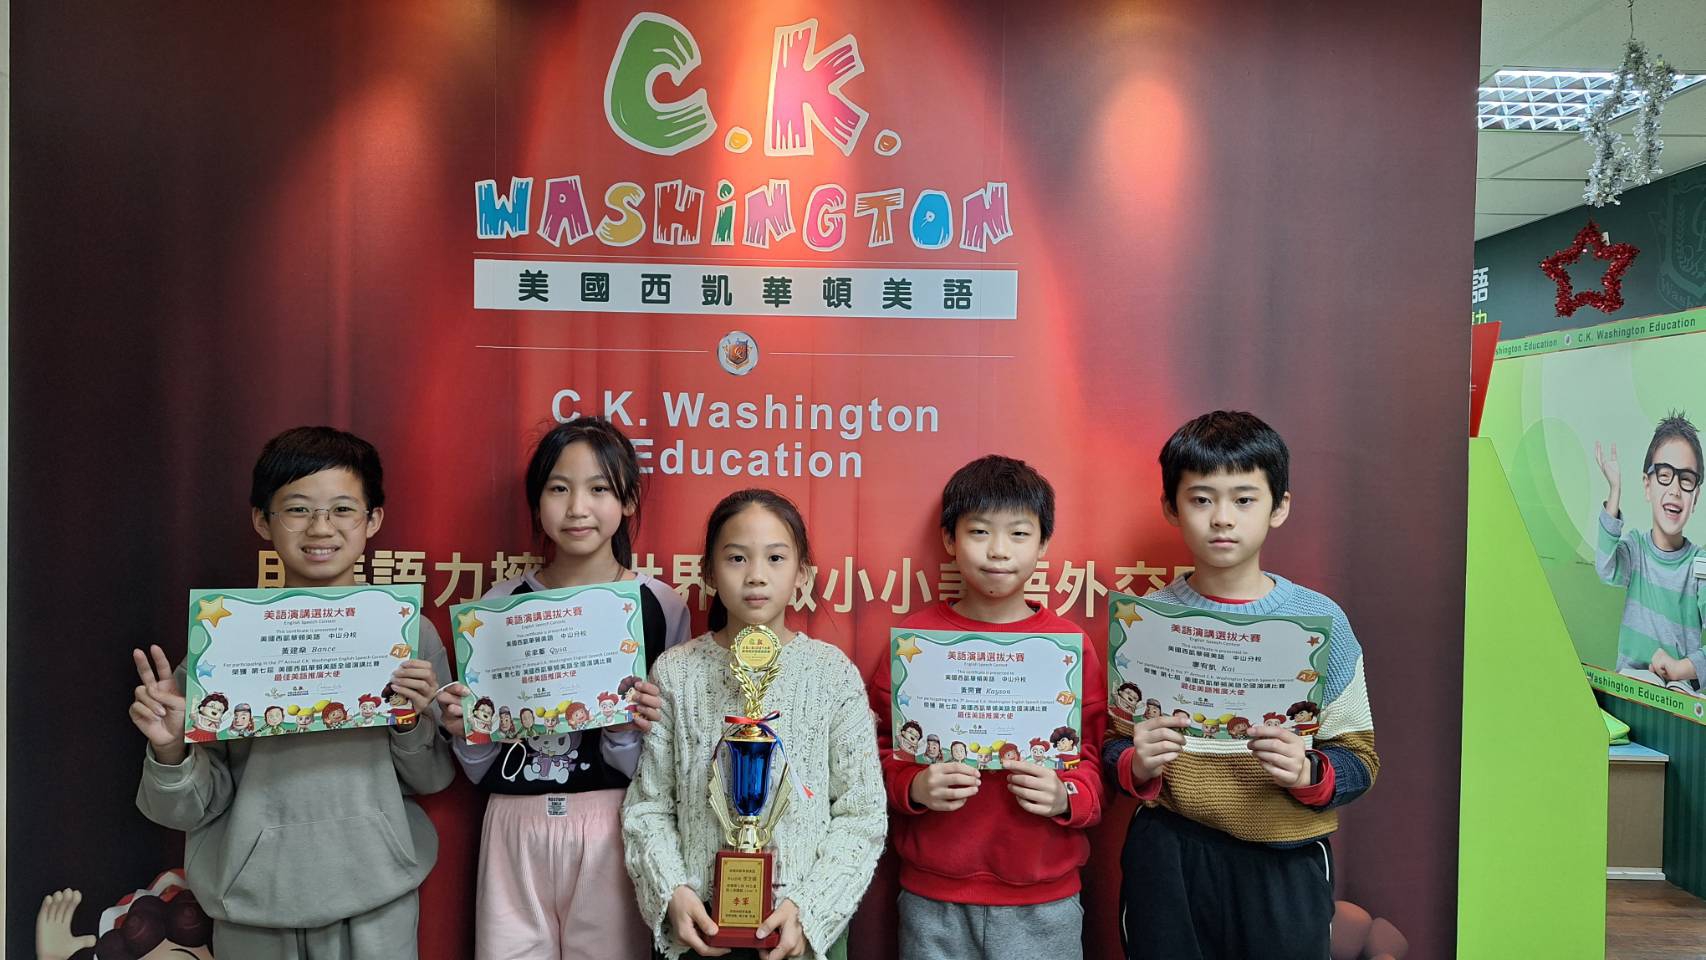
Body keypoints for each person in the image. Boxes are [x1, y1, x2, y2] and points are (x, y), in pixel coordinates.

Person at [131, 426, 453, 959]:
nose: (321, 527)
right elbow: (187, 808)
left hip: (376, 893)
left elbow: (433, 777)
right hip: (254, 904)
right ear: (263, 520)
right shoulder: (225, 638)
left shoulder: (408, 634)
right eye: (298, 509)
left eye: (343, 509)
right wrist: (170, 749)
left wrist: (410, 721)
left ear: (373, 519)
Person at [1104, 411, 1379, 960]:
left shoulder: (1319, 622)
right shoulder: (1145, 620)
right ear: (1171, 507)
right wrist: (1136, 762)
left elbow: (1361, 761)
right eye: (1201, 499)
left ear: (1280, 507)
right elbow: (1112, 745)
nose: (1222, 518)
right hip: (1170, 852)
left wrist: (1308, 771)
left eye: (1245, 499)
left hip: (1284, 859)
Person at [434, 417, 689, 960]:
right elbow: (480, 766)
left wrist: (628, 728)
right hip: (512, 821)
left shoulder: (660, 606)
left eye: (599, 489)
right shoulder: (498, 607)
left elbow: (665, 763)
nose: (577, 508)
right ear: (536, 502)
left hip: (615, 822)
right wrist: (466, 730)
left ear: (628, 500)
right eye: (558, 488)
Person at [622, 489, 885, 960]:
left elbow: (862, 812)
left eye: (776, 558)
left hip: (800, 931)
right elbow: (649, 805)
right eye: (737, 558)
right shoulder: (675, 672)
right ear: (708, 571)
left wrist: (810, 909)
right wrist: (672, 892)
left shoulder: (831, 673)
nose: (756, 575)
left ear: (802, 573)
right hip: (700, 927)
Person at [870, 455, 1106, 960]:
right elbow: (878, 751)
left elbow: (1092, 757)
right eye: (979, 532)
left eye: (1019, 534)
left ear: (1044, 543)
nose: (998, 550)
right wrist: (913, 786)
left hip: (1044, 896)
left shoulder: (1067, 646)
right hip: (933, 893)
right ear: (949, 539)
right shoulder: (914, 642)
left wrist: (1066, 796)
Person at [1595, 413, 1706, 688]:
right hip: (1631, 688)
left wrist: (1680, 669)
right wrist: (1614, 491)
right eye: (1665, 475)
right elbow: (1605, 567)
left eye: (1686, 479)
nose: (1675, 489)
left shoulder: (1700, 565)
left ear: (1695, 497)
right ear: (1648, 486)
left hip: (1678, 697)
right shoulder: (1635, 550)